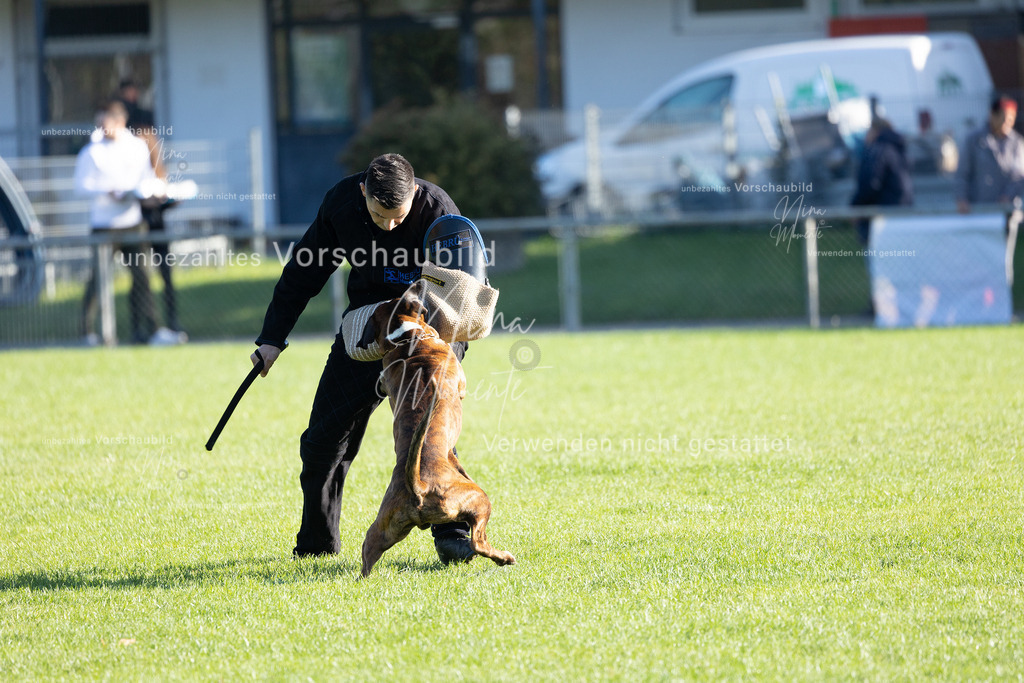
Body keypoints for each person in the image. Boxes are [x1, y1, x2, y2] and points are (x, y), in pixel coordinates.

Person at [252, 153, 475, 563]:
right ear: (363, 193)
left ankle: (453, 534)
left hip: (428, 330)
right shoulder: (341, 204)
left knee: (428, 434)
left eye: (397, 218)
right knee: (321, 442)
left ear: (414, 195)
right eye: (378, 216)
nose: (388, 226)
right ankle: (316, 547)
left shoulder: (439, 212)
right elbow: (304, 272)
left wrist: (445, 355)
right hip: (367, 329)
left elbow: (463, 294)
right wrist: (271, 339)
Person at [75, 99, 178, 346]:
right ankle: (87, 333)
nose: (103, 126)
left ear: (120, 121)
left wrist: (155, 192)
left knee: (142, 278)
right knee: (98, 279)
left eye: (107, 121)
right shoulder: (92, 151)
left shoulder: (137, 147)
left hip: (132, 222)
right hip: (103, 225)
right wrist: (107, 190)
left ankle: (153, 330)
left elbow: (146, 179)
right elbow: (81, 186)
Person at [118, 78, 185, 338]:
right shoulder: (127, 163)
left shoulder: (156, 163)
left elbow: (162, 191)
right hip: (136, 224)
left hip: (156, 223)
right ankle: (140, 328)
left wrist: (169, 199)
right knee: (139, 278)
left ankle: (172, 322)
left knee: (165, 274)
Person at [850, 116, 914, 243]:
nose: (866, 136)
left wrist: (856, 207)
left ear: (876, 131)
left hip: (882, 215)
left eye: (868, 131)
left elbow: (870, 183)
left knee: (878, 251)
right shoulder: (897, 148)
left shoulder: (878, 149)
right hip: (902, 209)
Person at [957, 96, 1024, 213]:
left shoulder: (1017, 143)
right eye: (1004, 118)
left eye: (1011, 119)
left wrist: (1008, 196)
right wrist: (961, 198)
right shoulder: (973, 140)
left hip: (1008, 210)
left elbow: (1018, 175)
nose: (1007, 123)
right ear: (992, 115)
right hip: (978, 208)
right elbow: (962, 173)